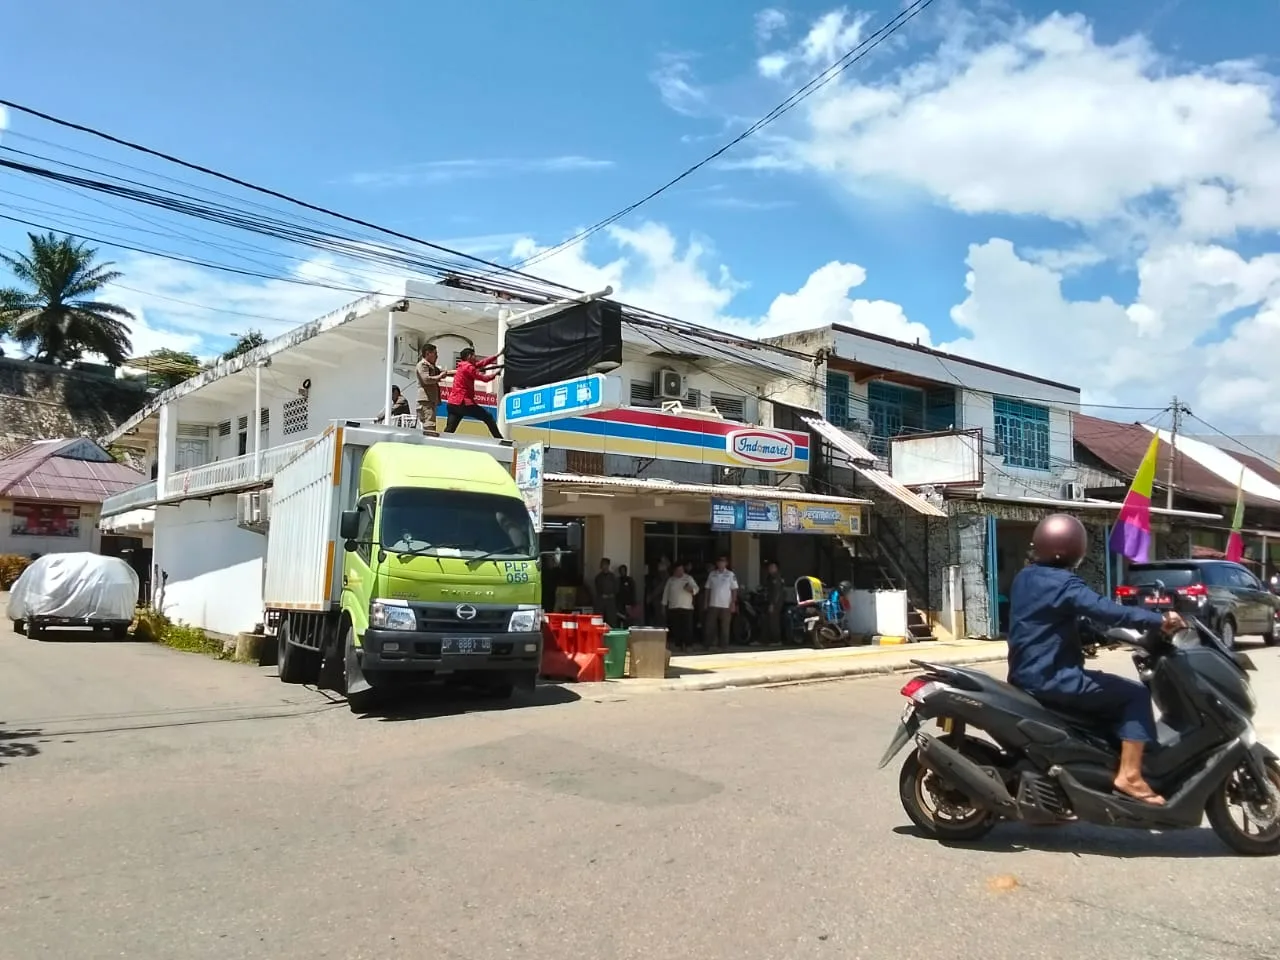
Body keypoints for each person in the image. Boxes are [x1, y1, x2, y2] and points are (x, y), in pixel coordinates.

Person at [1007, 513, 1183, 805]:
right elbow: (1105, 609)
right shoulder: (1063, 583)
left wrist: (1094, 634)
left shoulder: (1025, 577)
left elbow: (1047, 619)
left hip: (1027, 675)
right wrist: (1157, 620)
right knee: (1135, 695)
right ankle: (1129, 775)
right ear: (1072, 548)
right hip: (1054, 679)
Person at [443, 347, 502, 438]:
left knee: (449, 430)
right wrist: (496, 374)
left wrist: (497, 355)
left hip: (452, 404)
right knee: (488, 417)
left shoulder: (462, 366)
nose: (476, 358)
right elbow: (484, 378)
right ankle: (500, 440)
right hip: (463, 403)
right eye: (474, 356)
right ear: (469, 356)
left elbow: (482, 363)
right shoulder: (469, 367)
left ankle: (442, 443)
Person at [703, 555, 739, 650]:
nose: (721, 563)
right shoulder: (712, 574)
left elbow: (734, 589)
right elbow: (707, 588)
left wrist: (733, 603)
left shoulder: (730, 575)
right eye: (719, 561)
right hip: (713, 603)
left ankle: (724, 645)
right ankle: (709, 644)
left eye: (723, 561)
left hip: (725, 605)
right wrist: (706, 602)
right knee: (710, 625)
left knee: (725, 626)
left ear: (726, 563)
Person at [663, 562, 699, 651]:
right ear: (674, 571)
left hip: (686, 607)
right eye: (678, 570)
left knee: (687, 627)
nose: (680, 571)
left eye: (682, 569)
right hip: (674, 607)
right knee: (676, 627)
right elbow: (666, 594)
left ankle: (688, 645)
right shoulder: (671, 580)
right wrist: (663, 605)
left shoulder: (688, 578)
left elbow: (696, 589)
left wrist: (691, 590)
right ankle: (678, 645)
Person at [414, 343, 447, 435]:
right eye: (435, 353)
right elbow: (426, 379)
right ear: (428, 353)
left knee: (431, 424)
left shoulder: (431, 366)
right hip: (426, 400)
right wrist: (440, 376)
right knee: (429, 425)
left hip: (431, 400)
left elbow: (443, 372)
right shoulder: (422, 365)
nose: (437, 356)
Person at [763, 560, 785, 646]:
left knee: (774, 621)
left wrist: (772, 604)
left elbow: (776, 592)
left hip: (776, 602)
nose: (770, 569)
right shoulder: (770, 577)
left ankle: (777, 640)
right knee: (767, 620)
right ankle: (766, 639)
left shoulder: (776, 577)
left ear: (776, 568)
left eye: (772, 567)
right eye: (769, 567)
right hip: (772, 601)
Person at [594, 558, 620, 627]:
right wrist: (602, 595)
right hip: (601, 601)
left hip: (610, 601)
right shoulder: (598, 577)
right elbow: (597, 589)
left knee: (611, 620)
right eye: (602, 564)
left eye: (605, 564)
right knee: (598, 620)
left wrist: (610, 595)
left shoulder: (613, 577)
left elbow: (616, 589)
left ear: (608, 565)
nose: (603, 566)